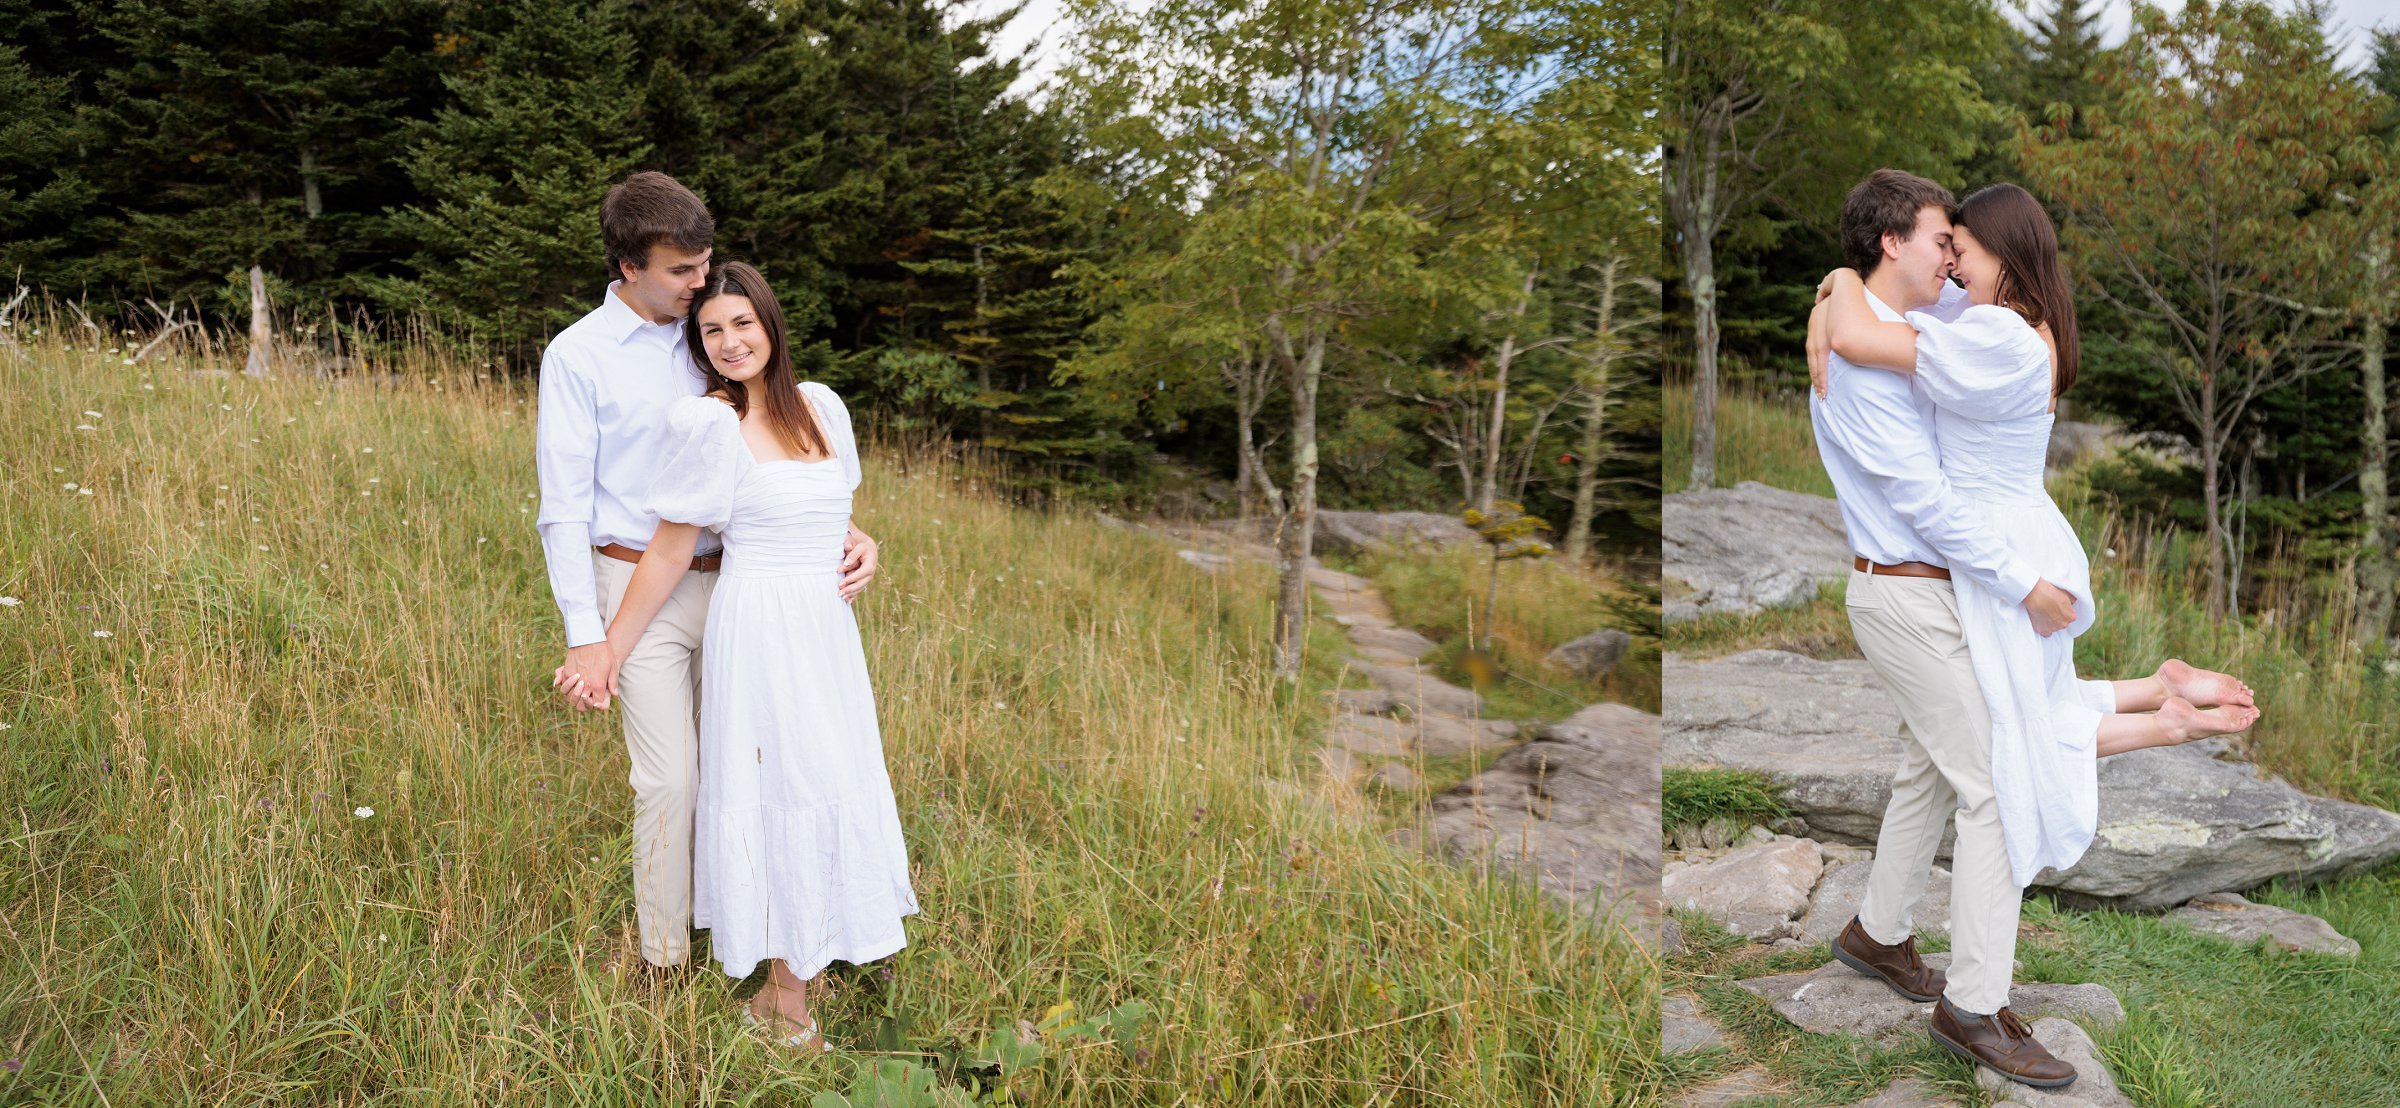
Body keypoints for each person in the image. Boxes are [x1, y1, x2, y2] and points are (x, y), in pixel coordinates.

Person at [1796, 169, 2247, 1091]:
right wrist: (2020, 580)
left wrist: (1834, 290)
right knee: (1996, 790)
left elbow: (1901, 333)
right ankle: (1973, 1008)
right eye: (1940, 243)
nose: (1952, 261)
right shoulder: (1865, 362)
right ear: (1896, 245)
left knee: (1930, 768)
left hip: (1940, 592)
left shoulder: (1929, 328)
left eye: (1963, 247)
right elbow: (1924, 500)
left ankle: (1876, 936)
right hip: (1911, 595)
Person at [534, 172, 881, 982]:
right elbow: (562, 509)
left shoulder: (711, 337)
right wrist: (589, 641)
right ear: (628, 265)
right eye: (681, 272)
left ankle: (764, 922)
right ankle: (664, 958)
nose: (699, 285)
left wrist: (851, 532)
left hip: (741, 587)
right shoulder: (578, 357)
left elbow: (776, 461)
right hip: (637, 585)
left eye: (706, 264)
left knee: (754, 764)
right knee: (673, 779)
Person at [578, 260, 919, 1050]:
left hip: (827, 634)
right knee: (780, 789)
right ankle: (783, 999)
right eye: (711, 330)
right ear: (699, 346)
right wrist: (607, 652)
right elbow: (667, 553)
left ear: (770, 323)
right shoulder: (708, 424)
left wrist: (866, 544)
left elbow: (833, 513)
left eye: (742, 323)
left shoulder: (824, 408)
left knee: (830, 779)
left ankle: (811, 952)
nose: (730, 342)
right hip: (759, 627)